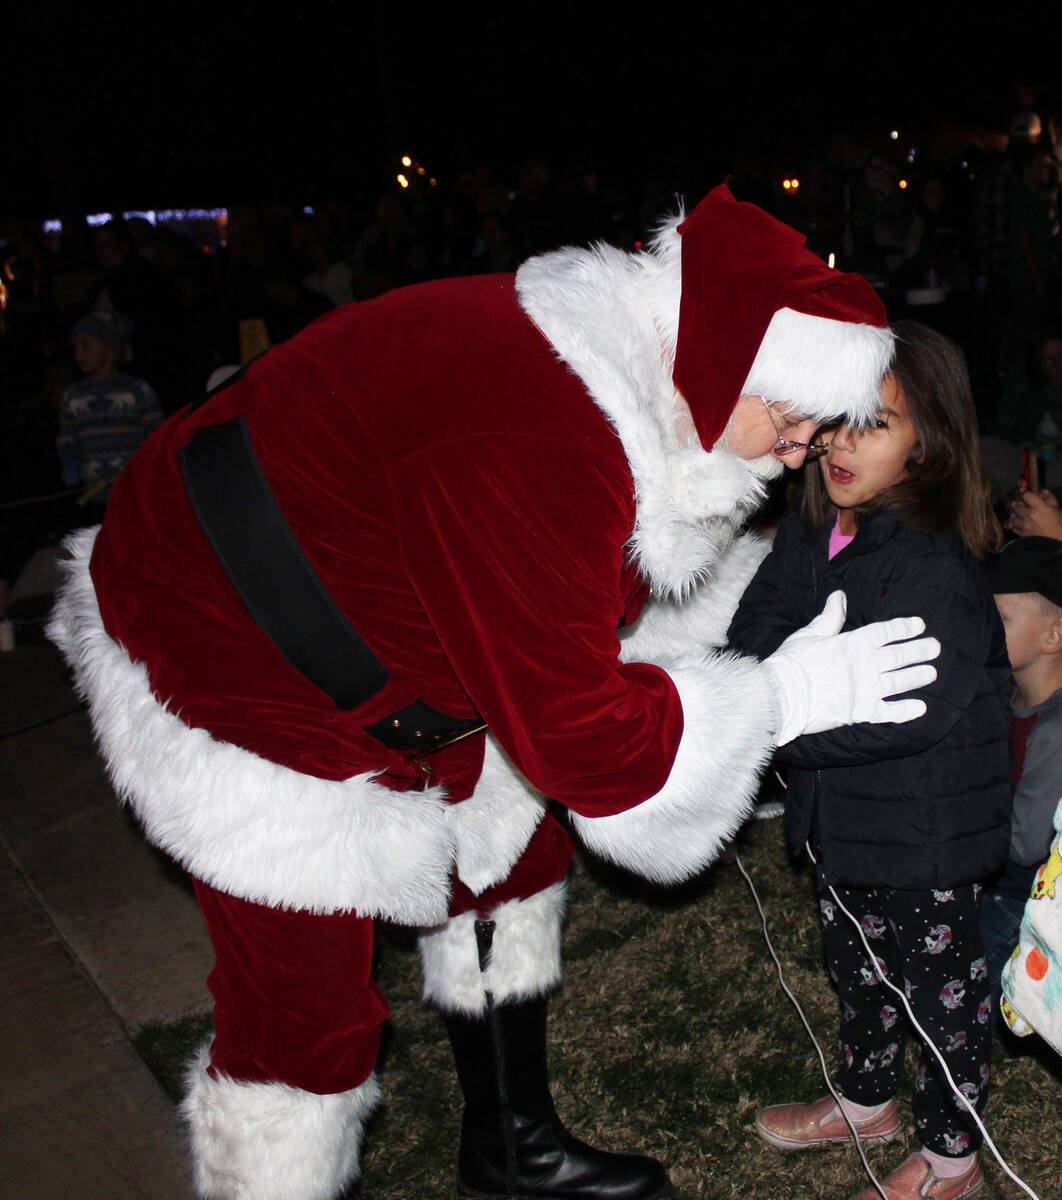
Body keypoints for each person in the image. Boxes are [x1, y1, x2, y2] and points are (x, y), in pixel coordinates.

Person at [47, 186, 940, 1200]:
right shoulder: (548, 439)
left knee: (513, 846)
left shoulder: (631, 371)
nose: (795, 454)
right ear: (728, 351)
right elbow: (592, 752)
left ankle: (511, 1146)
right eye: (790, 418)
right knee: (303, 1008)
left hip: (366, 603)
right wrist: (778, 699)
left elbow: (606, 593)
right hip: (221, 646)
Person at [729, 322, 1010, 1200]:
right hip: (842, 815)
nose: (845, 443)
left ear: (928, 442)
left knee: (940, 995)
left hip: (923, 824)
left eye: (878, 425)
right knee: (857, 966)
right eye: (841, 418)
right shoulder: (816, 524)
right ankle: (865, 1097)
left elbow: (904, 714)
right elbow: (758, 624)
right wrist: (777, 687)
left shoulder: (932, 562)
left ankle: (952, 1158)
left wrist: (775, 719)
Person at [983, 538, 1062, 1001]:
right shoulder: (1008, 695)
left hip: (1030, 891)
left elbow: (1025, 843)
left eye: (1003, 620)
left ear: (1053, 635)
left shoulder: (1053, 732)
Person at [57, 310, 163, 504]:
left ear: (109, 349)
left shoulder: (137, 390)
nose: (78, 354)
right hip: (93, 493)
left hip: (134, 491)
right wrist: (69, 462)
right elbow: (67, 438)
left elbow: (157, 437)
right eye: (75, 348)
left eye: (85, 345)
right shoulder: (74, 395)